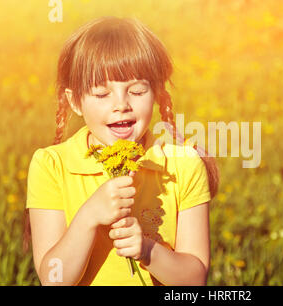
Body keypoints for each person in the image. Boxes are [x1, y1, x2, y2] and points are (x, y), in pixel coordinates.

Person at [24, 16, 219, 286]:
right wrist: (88, 217)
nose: (121, 105)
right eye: (102, 94)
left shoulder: (184, 166)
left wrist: (147, 250)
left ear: (158, 93)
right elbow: (54, 280)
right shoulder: (51, 165)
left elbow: (194, 281)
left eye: (137, 91)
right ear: (75, 102)